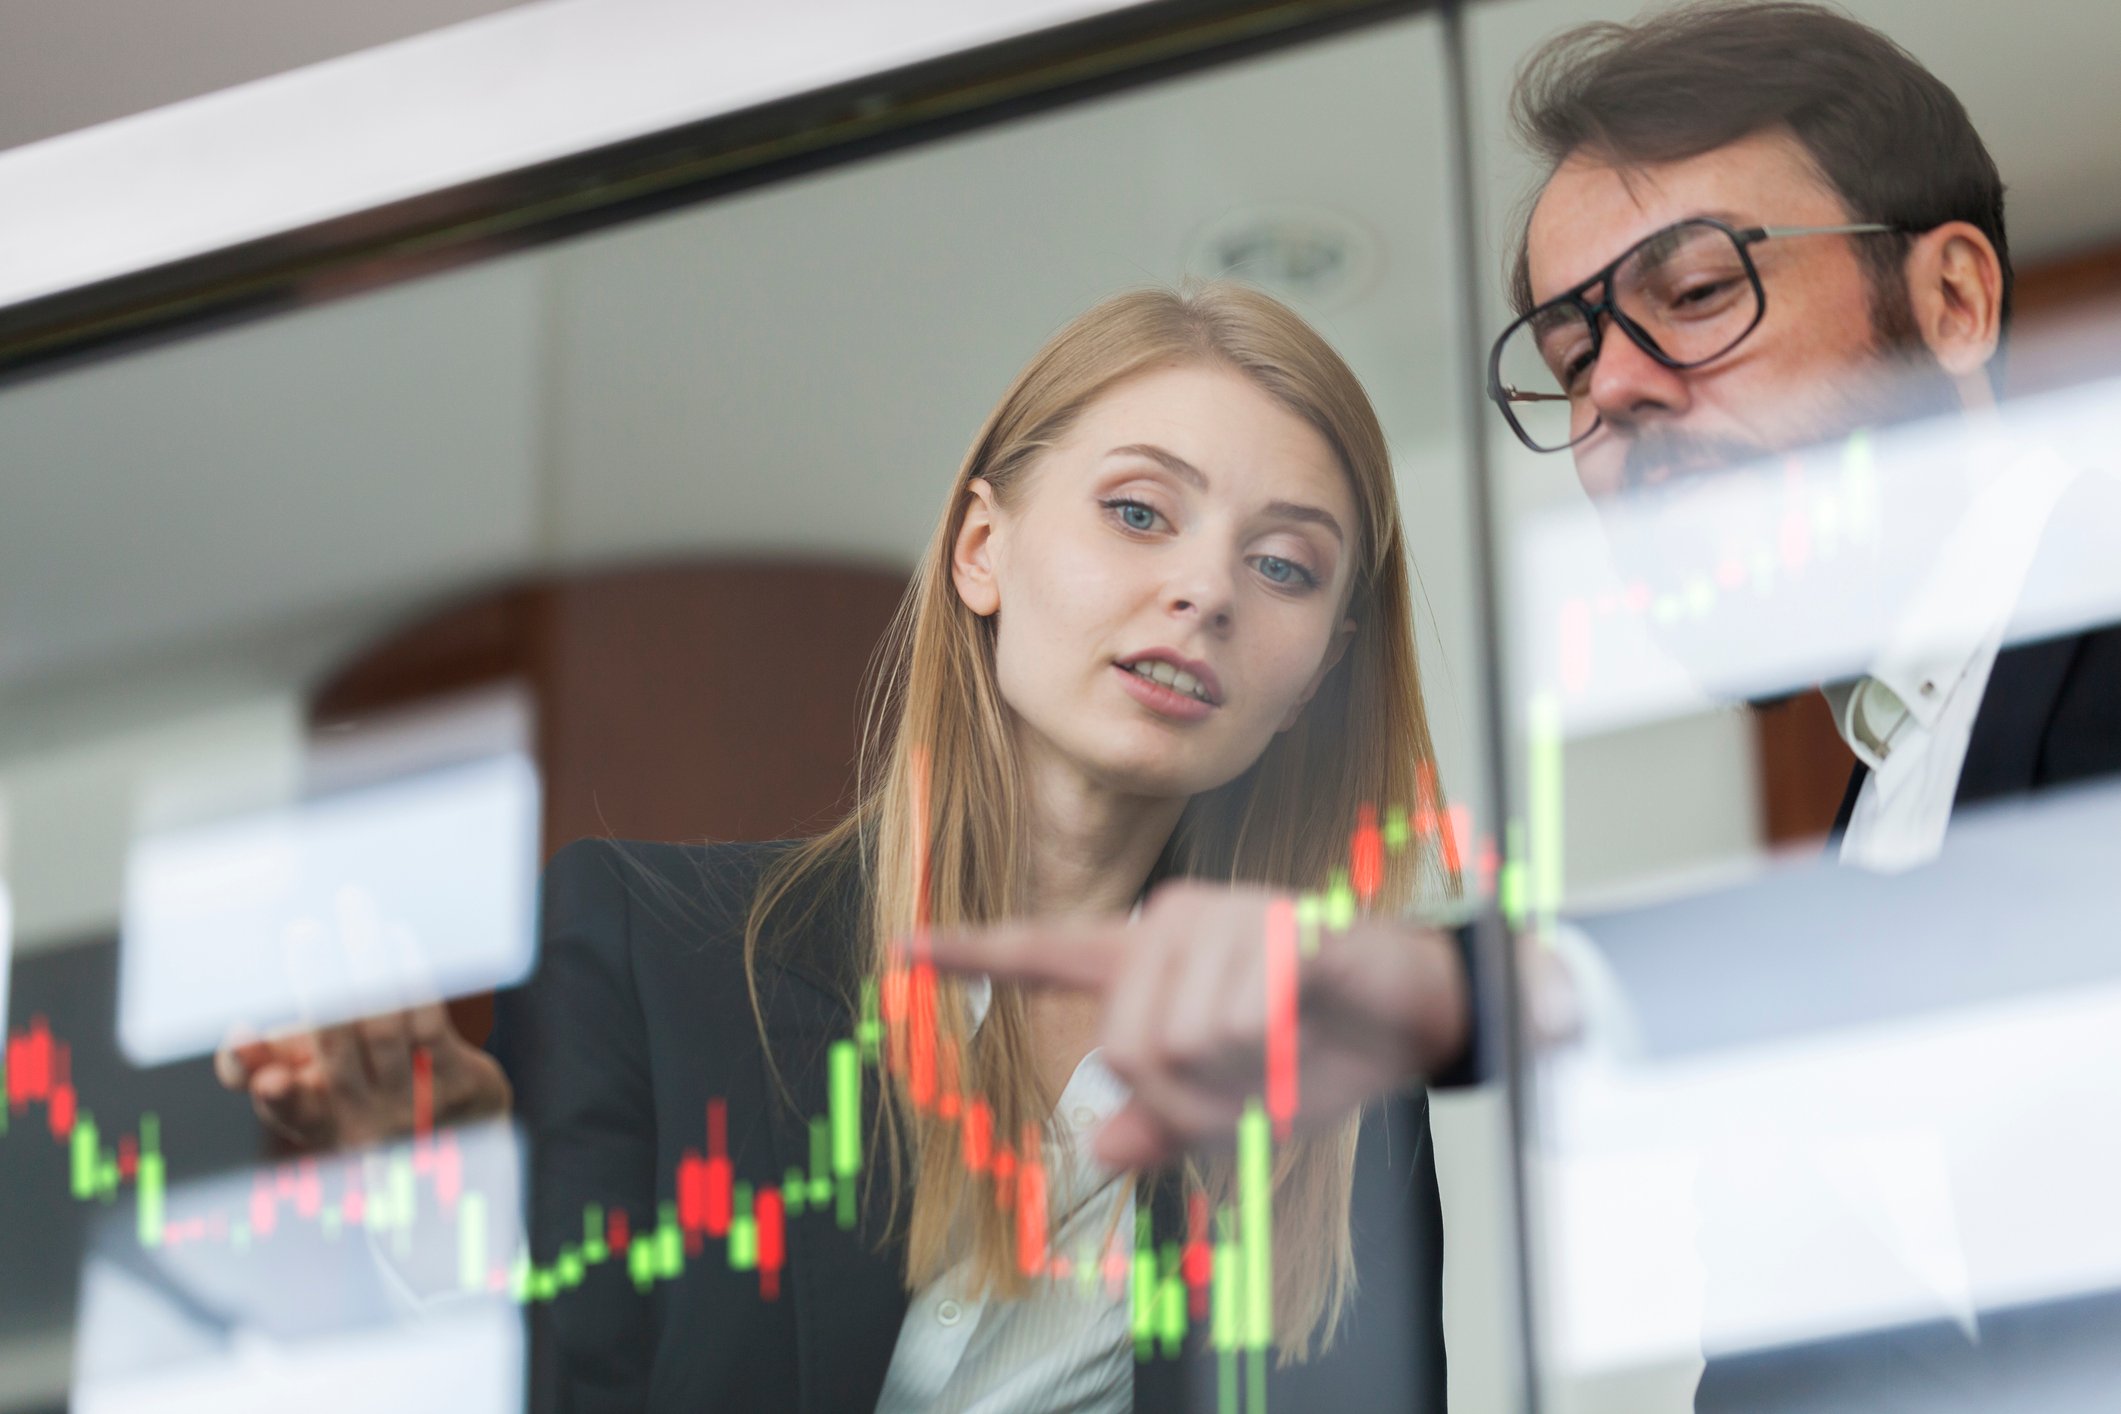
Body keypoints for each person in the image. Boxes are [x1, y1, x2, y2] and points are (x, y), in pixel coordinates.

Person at [936, 4, 2121, 1407]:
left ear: (1953, 303)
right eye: (1572, 357)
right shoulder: (1896, 780)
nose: (1613, 389)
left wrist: (1486, 989)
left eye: (1694, 294)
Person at [219, 282, 1463, 1410]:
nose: (1208, 590)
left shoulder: (1336, 1091)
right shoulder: (653, 953)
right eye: (1139, 511)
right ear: (983, 549)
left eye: (1285, 564)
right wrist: (443, 1216)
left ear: (1317, 677)